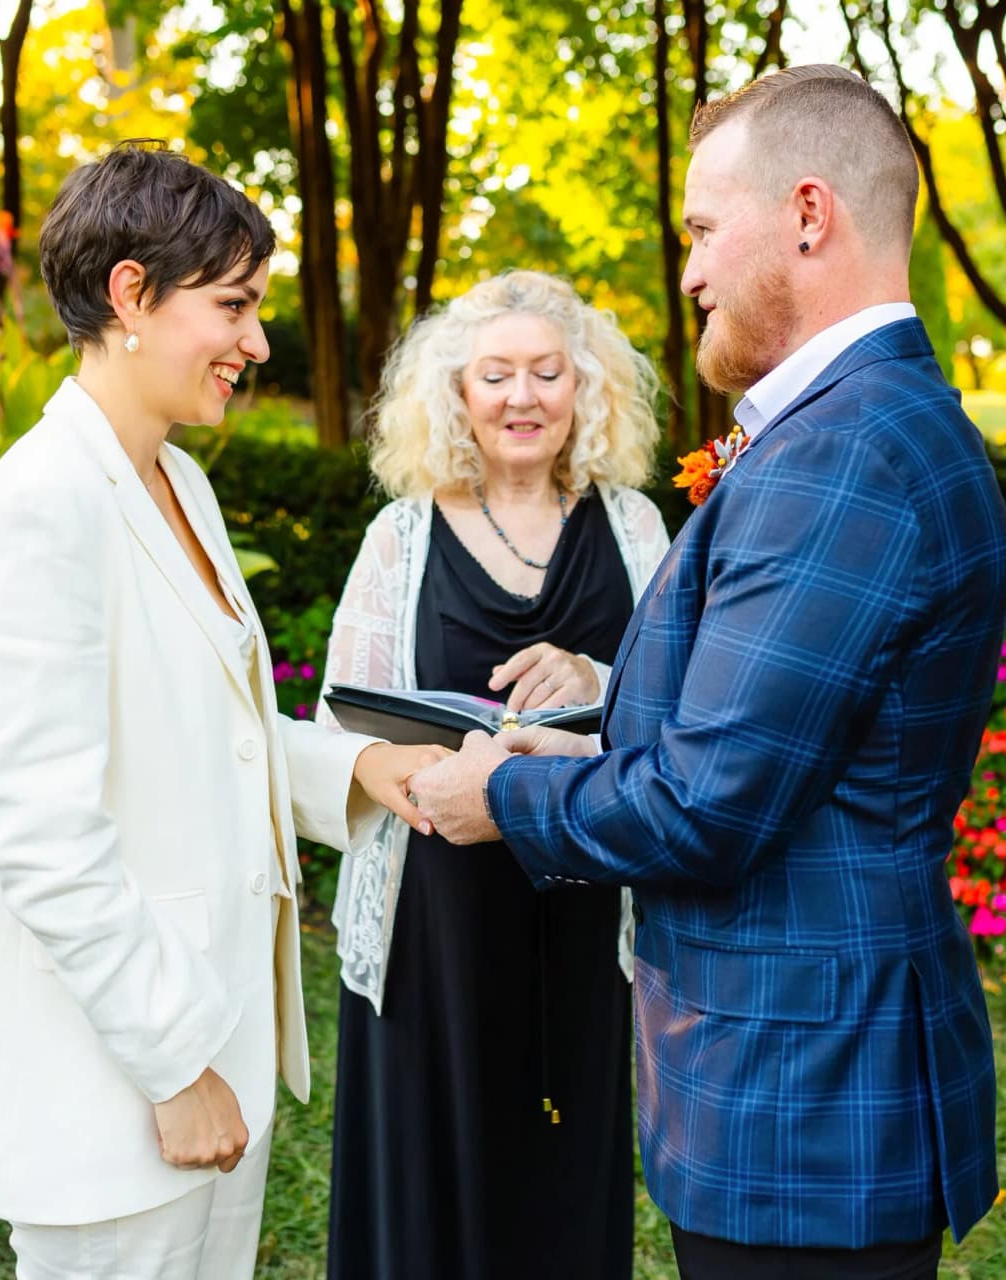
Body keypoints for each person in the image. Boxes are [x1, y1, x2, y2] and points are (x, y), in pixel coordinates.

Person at [411, 66, 1006, 1280]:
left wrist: (501, 796)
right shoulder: (863, 421)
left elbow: (706, 807)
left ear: (807, 215)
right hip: (808, 1077)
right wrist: (587, 748)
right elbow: (777, 750)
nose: (686, 272)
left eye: (699, 229)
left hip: (806, 1099)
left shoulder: (842, 455)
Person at [0, 144, 442, 1280]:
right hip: (119, 1081)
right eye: (235, 304)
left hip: (219, 1041)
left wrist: (361, 772)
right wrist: (175, 1064)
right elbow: (37, 826)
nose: (257, 342)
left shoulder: (180, 480)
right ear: (131, 294)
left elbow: (204, 732)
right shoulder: (45, 503)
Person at [317, 270, 670, 1279]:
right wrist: (413, 764)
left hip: (583, 902)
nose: (522, 397)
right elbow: (343, 717)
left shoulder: (638, 528)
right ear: (456, 396)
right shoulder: (403, 535)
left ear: (585, 388)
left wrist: (601, 673)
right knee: (437, 1183)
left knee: (562, 1178)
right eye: (496, 375)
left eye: (547, 373)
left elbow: (689, 713)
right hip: (434, 921)